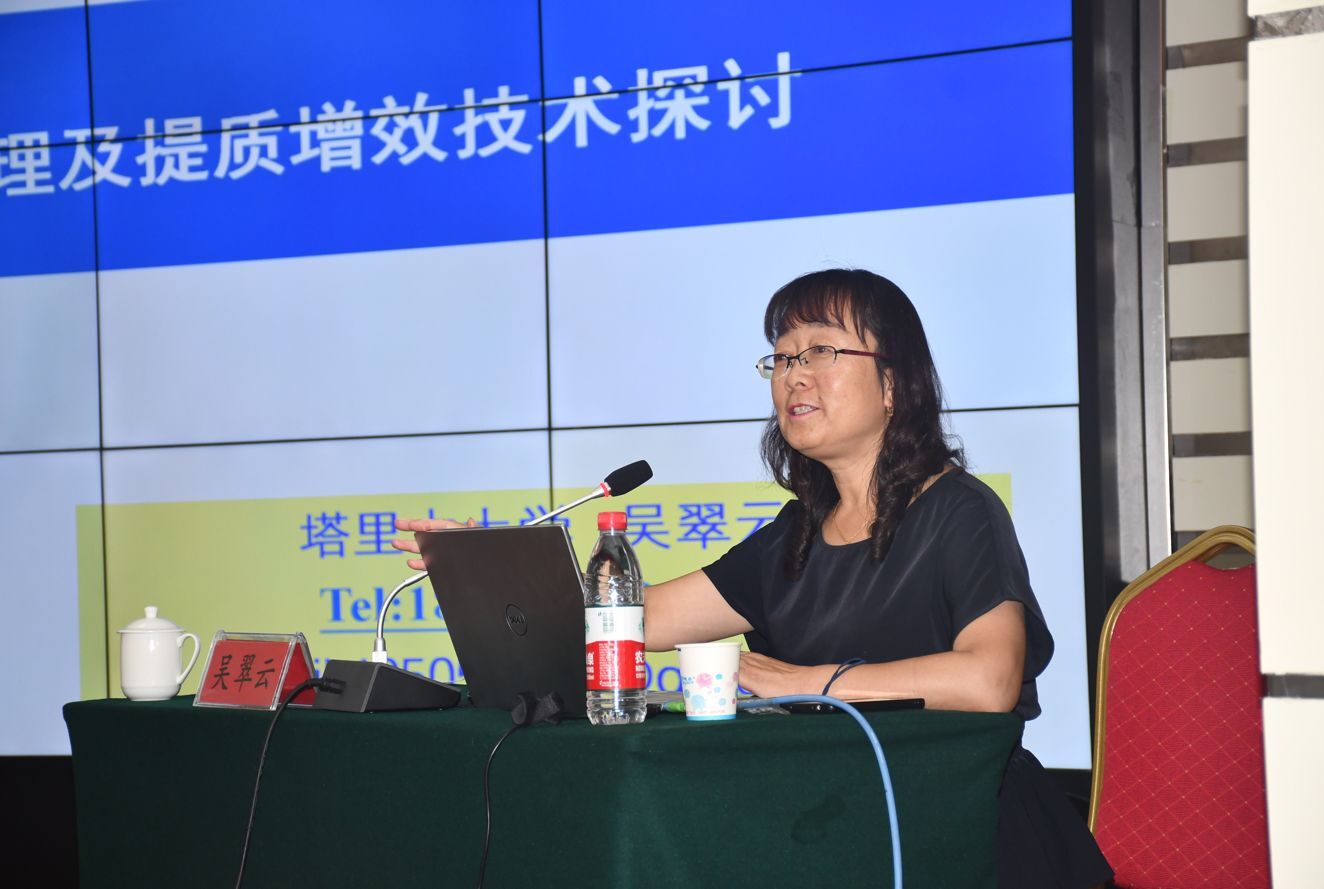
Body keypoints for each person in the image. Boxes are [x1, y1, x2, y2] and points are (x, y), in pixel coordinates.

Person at [393, 268, 1112, 889]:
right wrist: (489, 567)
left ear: (894, 382)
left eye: (822, 350)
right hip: (832, 824)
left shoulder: (959, 510)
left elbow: (988, 681)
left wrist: (806, 682)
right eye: (782, 357)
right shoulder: (795, 533)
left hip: (964, 831)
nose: (795, 374)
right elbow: (633, 619)